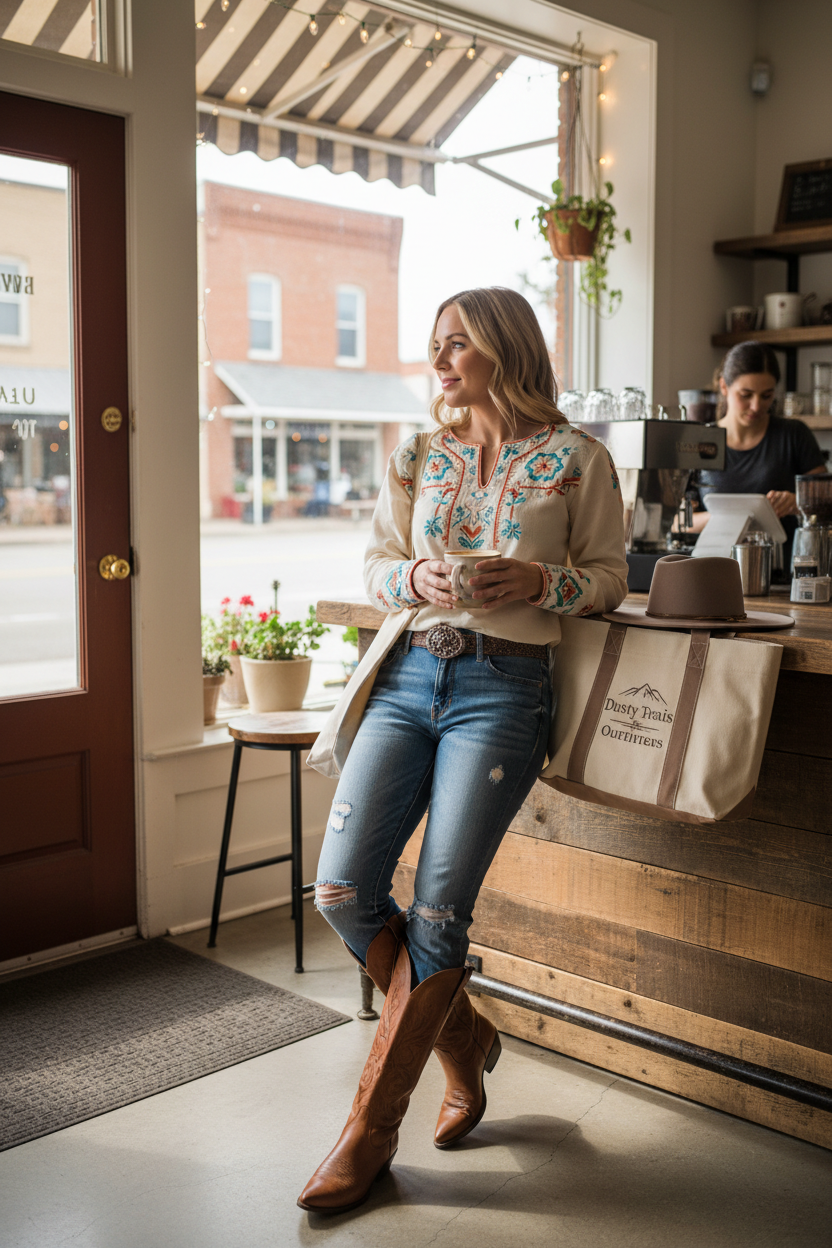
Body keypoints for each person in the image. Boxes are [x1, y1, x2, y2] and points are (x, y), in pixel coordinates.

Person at [298, 287, 628, 1215]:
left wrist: (540, 578)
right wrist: (413, 574)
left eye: (457, 344)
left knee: (439, 912)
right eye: (435, 345)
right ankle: (466, 1037)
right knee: (342, 892)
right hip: (407, 676)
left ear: (502, 348)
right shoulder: (417, 456)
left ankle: (369, 1132)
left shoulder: (577, 460)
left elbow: (608, 577)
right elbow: (372, 564)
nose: (439, 360)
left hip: (503, 689)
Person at [685, 342, 827, 557]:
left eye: (767, 395)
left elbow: (826, 501)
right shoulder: (698, 443)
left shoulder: (794, 435)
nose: (756, 406)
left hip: (783, 571)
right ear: (724, 387)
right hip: (712, 569)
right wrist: (731, 518)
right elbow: (679, 522)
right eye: (746, 395)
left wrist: (797, 501)